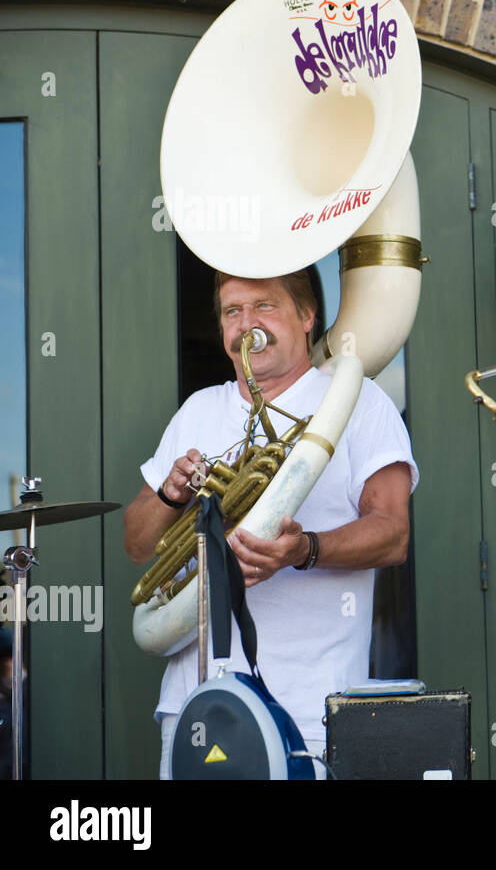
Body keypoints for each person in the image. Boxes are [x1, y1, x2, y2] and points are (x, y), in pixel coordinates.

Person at [123, 270, 417, 779]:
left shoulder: (359, 401)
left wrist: (304, 549)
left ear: (307, 317)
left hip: (309, 704)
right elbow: (136, 543)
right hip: (195, 699)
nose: (246, 325)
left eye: (264, 306)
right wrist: (172, 495)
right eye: (232, 312)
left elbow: (393, 534)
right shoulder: (200, 410)